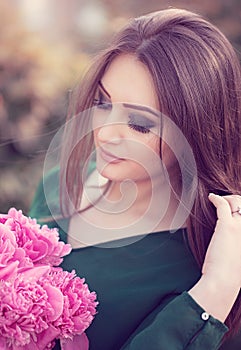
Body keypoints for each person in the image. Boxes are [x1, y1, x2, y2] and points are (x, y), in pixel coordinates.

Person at [29, 8, 241, 350]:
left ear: (195, 132)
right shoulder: (58, 185)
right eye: (102, 101)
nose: (104, 132)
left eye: (139, 123)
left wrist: (213, 294)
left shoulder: (210, 260)